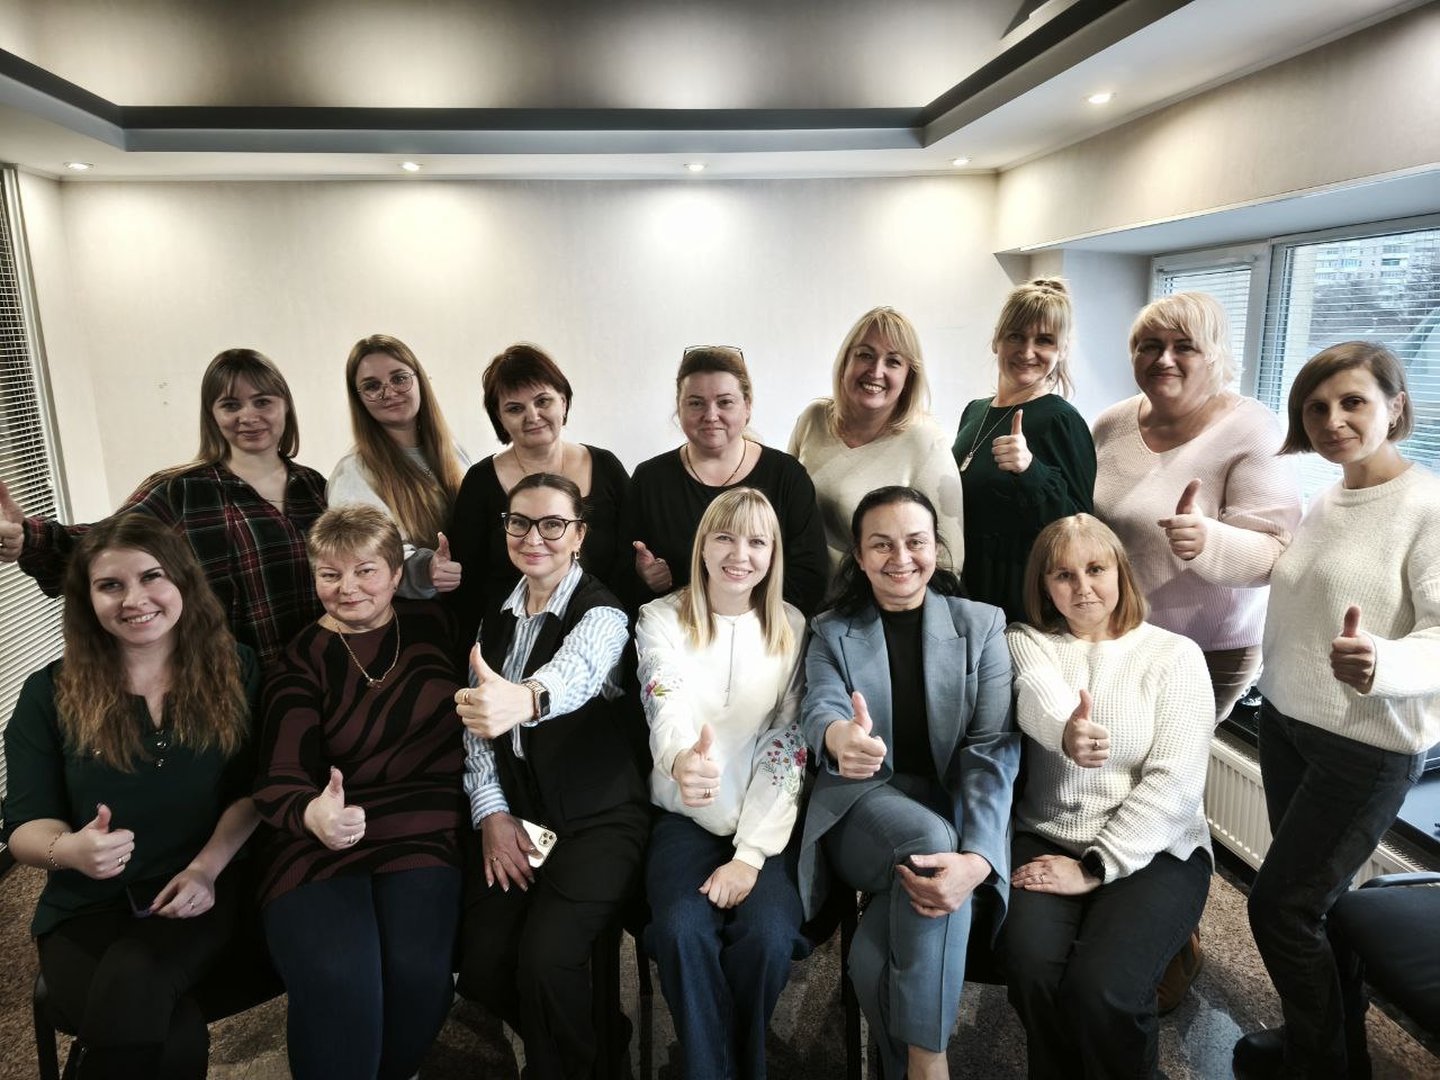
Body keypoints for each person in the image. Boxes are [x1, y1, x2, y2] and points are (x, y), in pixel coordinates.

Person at [1234, 342, 1440, 1080]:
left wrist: (1384, 662)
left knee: (1280, 910)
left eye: (1353, 401)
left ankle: (1319, 1066)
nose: (1333, 419)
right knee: (1313, 909)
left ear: (1395, 406)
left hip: (1366, 744)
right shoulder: (1332, 495)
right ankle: (1326, 1045)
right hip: (1290, 725)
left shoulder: (1427, 505)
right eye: (1316, 407)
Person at [2, 513, 259, 1078]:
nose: (135, 599)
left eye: (152, 577)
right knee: (174, 1035)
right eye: (110, 584)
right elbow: (23, 826)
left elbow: (252, 794)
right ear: (85, 599)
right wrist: (69, 849)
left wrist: (205, 870)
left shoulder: (236, 668)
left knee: (140, 978)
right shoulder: (49, 692)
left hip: (194, 888)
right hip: (85, 906)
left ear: (184, 583)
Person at [799, 486, 1018, 1080]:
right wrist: (841, 737)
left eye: (915, 541)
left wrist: (977, 859)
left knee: (875, 954)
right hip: (860, 806)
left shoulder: (982, 626)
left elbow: (989, 753)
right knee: (927, 837)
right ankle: (931, 1061)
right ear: (861, 556)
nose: (901, 557)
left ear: (936, 548)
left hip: (952, 811)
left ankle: (904, 1066)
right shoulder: (830, 630)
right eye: (881, 544)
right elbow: (819, 704)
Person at [254, 504, 466, 1080]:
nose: (347, 588)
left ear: (398, 573)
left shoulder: (436, 625)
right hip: (321, 839)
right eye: (330, 574)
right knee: (340, 977)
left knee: (420, 976)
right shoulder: (299, 661)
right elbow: (278, 778)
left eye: (365, 571)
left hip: (423, 828)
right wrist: (311, 812)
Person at [1001, 514, 1214, 1080]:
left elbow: (1175, 785)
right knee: (1031, 973)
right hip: (1046, 838)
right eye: (1063, 575)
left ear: (1121, 570)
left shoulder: (1175, 656)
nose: (1082, 587)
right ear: (1044, 586)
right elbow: (1038, 697)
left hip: (1158, 850)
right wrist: (1065, 731)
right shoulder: (1027, 642)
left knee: (1106, 990)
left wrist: (1096, 866)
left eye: (1095, 569)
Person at [455, 473, 649, 1080]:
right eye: (520, 522)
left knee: (546, 961)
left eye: (552, 524)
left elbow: (577, 673)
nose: (533, 536)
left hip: (600, 818)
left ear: (579, 534)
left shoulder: (604, 613)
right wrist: (491, 811)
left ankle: (573, 1066)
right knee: (481, 965)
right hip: (523, 817)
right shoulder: (498, 610)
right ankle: (596, 1039)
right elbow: (477, 719)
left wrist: (528, 699)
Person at [0, 348, 327, 666]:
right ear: (212, 416)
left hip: (317, 678)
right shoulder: (181, 491)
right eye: (230, 405)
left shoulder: (314, 487)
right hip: (230, 684)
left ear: (285, 407)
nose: (248, 416)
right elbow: (101, 547)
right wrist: (27, 536)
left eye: (263, 402)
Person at [637, 487, 809, 1080]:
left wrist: (751, 856)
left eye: (757, 541)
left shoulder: (791, 626)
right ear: (703, 546)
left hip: (764, 827)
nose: (741, 554)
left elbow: (786, 747)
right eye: (725, 537)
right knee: (682, 932)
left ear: (773, 553)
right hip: (683, 817)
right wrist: (683, 760)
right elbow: (664, 697)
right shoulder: (660, 617)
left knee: (767, 938)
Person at [1092, 292, 1301, 722]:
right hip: (1118, 634)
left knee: (1168, 777)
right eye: (1149, 345)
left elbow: (1276, 552)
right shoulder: (1111, 422)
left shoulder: (1252, 428)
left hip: (1204, 649)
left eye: (1184, 346)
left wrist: (1210, 539)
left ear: (1214, 356)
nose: (1163, 359)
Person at [625, 345, 827, 615]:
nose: (710, 415)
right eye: (696, 403)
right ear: (679, 408)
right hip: (676, 633)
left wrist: (736, 620)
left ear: (747, 407)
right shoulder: (650, 479)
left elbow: (809, 578)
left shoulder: (787, 476)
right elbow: (621, 576)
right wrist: (645, 579)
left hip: (768, 634)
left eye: (725, 402)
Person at [447, 342, 629, 621]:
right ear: (500, 418)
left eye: (543, 401)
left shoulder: (606, 466)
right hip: (510, 634)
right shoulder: (480, 481)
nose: (532, 416)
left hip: (605, 626)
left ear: (564, 402)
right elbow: (468, 582)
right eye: (515, 408)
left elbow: (631, 557)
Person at [789, 306, 966, 587]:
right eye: (865, 355)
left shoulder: (926, 442)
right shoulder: (814, 419)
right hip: (802, 601)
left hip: (871, 618)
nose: (876, 371)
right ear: (846, 360)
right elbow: (786, 510)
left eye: (893, 362)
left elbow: (948, 562)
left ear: (909, 375)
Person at [952, 280, 1095, 620]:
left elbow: (1081, 529)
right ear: (996, 340)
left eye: (1044, 340)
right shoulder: (975, 410)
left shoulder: (1060, 419)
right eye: (1016, 335)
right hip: (967, 594)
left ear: (1060, 351)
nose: (1027, 351)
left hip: (1020, 603)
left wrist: (1032, 471)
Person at [327, 333, 469, 594]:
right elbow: (367, 558)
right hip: (415, 622)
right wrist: (426, 569)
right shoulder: (353, 473)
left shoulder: (452, 452)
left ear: (419, 381)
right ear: (359, 398)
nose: (389, 392)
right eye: (371, 386)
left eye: (399, 378)